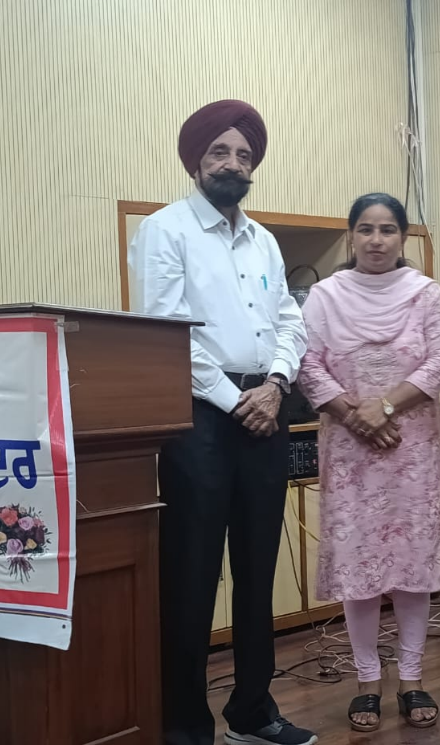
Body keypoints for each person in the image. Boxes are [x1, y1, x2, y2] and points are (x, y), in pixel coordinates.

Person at [128, 100, 315, 745]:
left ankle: (252, 712)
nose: (233, 164)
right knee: (192, 574)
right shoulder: (165, 231)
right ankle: (184, 726)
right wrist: (236, 400)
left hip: (267, 408)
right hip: (199, 419)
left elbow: (290, 321)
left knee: (259, 569)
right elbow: (167, 332)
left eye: (243, 155)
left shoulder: (263, 240)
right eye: (220, 153)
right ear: (196, 161)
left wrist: (277, 386)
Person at [297, 193, 440, 733]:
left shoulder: (426, 294)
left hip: (413, 446)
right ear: (350, 236)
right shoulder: (324, 295)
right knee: (359, 567)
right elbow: (307, 364)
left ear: (403, 238)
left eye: (387, 229)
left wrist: (384, 406)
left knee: (412, 566)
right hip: (350, 450)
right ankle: (367, 680)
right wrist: (355, 416)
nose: (375, 240)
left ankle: (412, 677)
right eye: (365, 229)